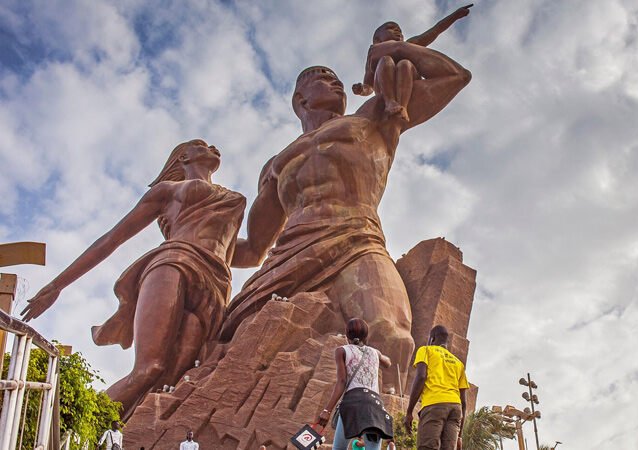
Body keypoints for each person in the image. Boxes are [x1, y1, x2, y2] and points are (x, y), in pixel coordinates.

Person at [220, 31, 471, 395]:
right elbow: (252, 249)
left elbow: (454, 77)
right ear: (300, 98)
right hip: (287, 259)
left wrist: (396, 49)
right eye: (322, 75)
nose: (335, 79)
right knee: (235, 344)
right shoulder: (276, 165)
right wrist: (199, 245)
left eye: (336, 75)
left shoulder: (372, 118)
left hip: (358, 239)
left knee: (391, 337)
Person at [21, 140, 246, 419]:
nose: (212, 146)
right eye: (200, 145)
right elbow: (112, 239)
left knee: (174, 377)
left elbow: (244, 252)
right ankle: (72, 429)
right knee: (148, 369)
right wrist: (57, 285)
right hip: (173, 264)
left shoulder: (232, 198)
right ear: (183, 158)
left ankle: (129, 435)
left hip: (215, 283)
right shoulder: (168, 191)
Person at [352, 4, 473, 121]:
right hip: (384, 90)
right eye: (391, 29)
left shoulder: (407, 45)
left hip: (408, 83)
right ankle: (390, 102)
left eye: (399, 30)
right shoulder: (373, 55)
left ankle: (403, 107)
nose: (398, 32)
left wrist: (455, 16)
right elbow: (369, 86)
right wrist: (361, 89)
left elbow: (433, 32)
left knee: (405, 64)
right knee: (385, 60)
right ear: (377, 39)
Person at [316, 318, 393, 450]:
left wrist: (327, 410)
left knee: (339, 448)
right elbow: (388, 363)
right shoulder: (375, 352)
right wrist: (377, 355)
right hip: (374, 406)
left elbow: (342, 381)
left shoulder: (342, 351)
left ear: (347, 335)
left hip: (353, 404)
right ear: (366, 335)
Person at [404, 325, 469, 450]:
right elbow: (464, 402)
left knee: (427, 447)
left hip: (435, 404)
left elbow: (421, 377)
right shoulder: (458, 363)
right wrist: (459, 436)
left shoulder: (426, 350)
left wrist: (409, 411)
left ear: (432, 339)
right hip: (455, 408)